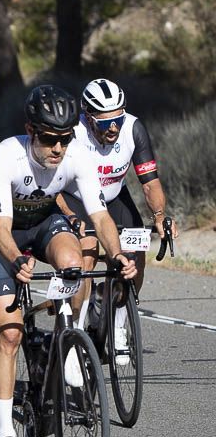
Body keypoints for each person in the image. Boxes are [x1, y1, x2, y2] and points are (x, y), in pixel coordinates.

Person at [0, 84, 137, 437]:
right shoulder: (5, 157)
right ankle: (5, 436)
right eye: (49, 139)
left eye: (64, 139)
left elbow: (100, 217)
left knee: (75, 261)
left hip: (45, 222)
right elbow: (0, 228)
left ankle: (67, 339)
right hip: (4, 232)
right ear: (30, 130)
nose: (58, 149)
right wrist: (16, 261)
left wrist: (117, 255)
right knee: (10, 332)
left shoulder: (76, 155)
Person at [60, 78, 178, 355]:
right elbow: (53, 183)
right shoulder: (73, 133)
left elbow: (149, 182)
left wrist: (160, 216)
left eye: (118, 120)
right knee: (86, 254)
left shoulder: (133, 129)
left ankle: (118, 323)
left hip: (114, 197)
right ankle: (76, 328)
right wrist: (70, 217)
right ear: (88, 117)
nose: (113, 128)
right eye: (104, 123)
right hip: (76, 198)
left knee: (135, 255)